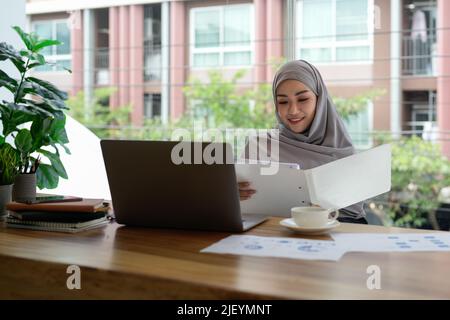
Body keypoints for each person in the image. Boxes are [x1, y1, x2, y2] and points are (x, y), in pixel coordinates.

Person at [238, 59, 367, 224]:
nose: (292, 111)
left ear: (319, 100)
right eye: (283, 102)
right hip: (269, 237)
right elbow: (244, 211)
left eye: (303, 99)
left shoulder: (342, 153)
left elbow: (355, 221)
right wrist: (233, 197)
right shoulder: (260, 146)